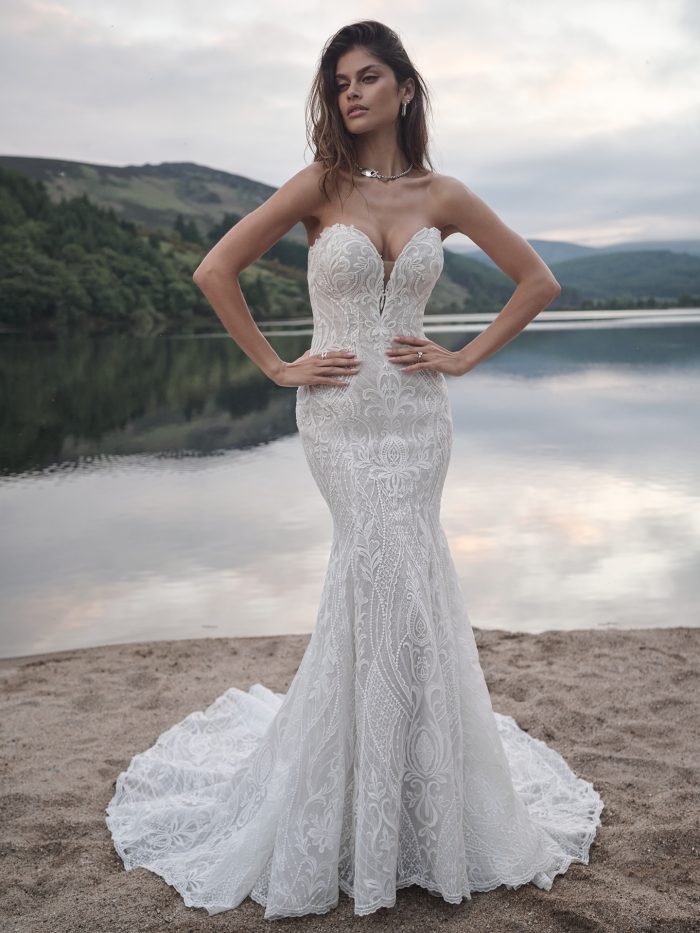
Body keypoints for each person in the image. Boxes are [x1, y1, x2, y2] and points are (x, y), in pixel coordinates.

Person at [105, 20, 604, 920]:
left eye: (369, 78)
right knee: (374, 574)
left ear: (405, 89)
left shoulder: (443, 194)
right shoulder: (317, 187)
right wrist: (277, 364)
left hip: (417, 423)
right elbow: (215, 269)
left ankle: (415, 797)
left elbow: (537, 282)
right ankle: (348, 804)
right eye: (339, 84)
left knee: (410, 587)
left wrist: (462, 356)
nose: (352, 95)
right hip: (338, 418)